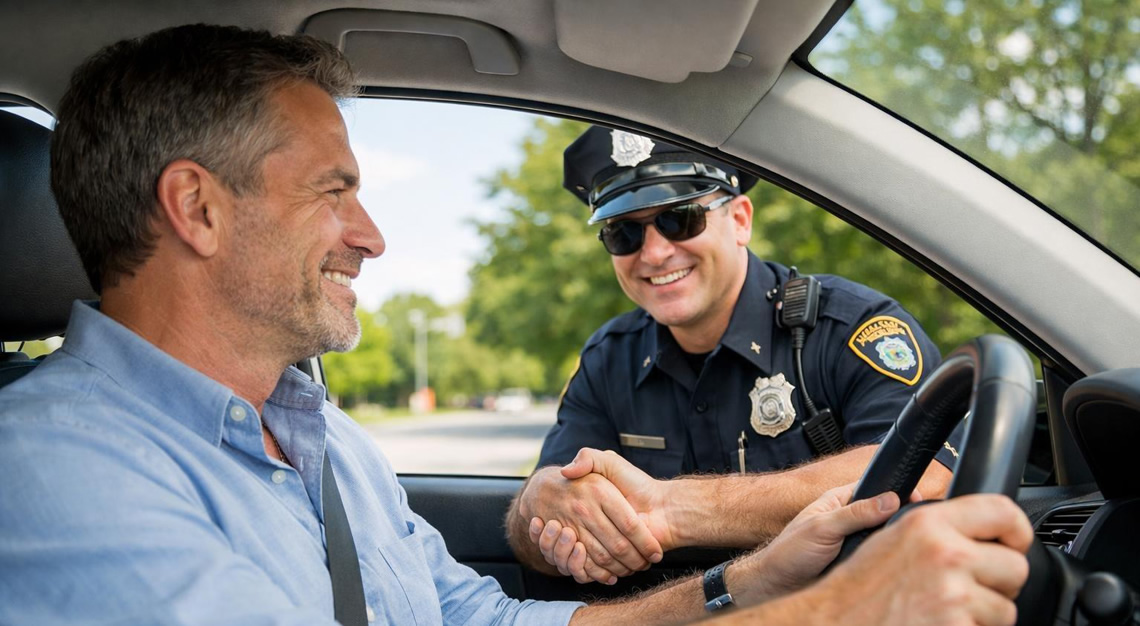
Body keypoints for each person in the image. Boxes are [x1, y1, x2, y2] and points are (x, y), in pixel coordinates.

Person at [0, 24, 1030, 626]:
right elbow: (553, 526)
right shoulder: (47, 472)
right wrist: (836, 613)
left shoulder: (329, 445)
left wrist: (746, 579)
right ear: (198, 208)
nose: (373, 236)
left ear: (740, 219)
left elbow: (487, 619)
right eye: (333, 191)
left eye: (679, 218)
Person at [506, 126, 965, 583]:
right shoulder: (609, 358)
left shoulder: (848, 329)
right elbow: (532, 537)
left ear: (741, 220)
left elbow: (924, 474)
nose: (655, 252)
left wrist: (673, 509)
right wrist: (541, 502)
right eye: (623, 233)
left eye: (679, 218)